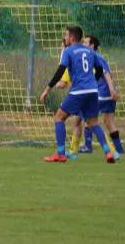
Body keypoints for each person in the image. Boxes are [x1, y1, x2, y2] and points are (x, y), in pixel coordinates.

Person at [40, 26, 115, 163]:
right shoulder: (89, 50)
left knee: (58, 118)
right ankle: (108, 152)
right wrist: (93, 82)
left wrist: (47, 89)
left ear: (72, 37)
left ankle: (61, 154)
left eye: (66, 35)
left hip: (78, 91)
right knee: (93, 122)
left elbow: (60, 70)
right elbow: (99, 69)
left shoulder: (68, 51)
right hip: (93, 91)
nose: (65, 37)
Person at [79, 35, 124, 155]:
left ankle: (88, 146)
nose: (83, 44)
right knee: (109, 122)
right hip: (108, 93)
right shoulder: (93, 57)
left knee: (89, 118)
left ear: (92, 45)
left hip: (103, 92)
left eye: (85, 42)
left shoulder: (95, 56)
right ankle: (119, 149)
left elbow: (106, 73)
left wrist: (110, 89)